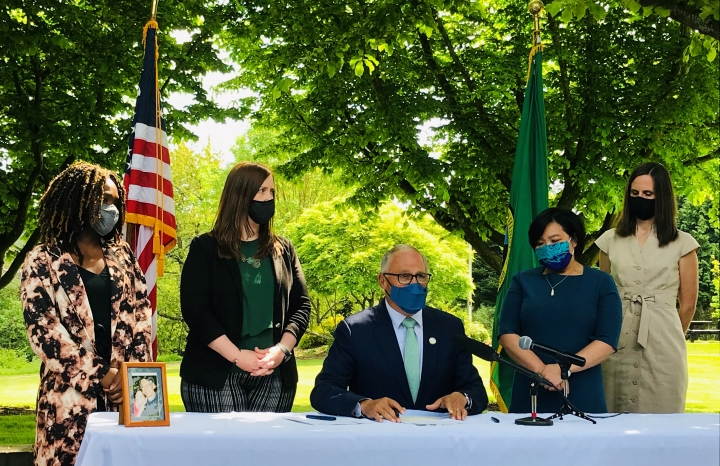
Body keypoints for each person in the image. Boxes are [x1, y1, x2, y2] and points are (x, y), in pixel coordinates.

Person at [21, 162, 153, 466]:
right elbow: (45, 334)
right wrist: (101, 374)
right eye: (103, 199)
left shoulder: (123, 258)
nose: (112, 209)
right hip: (68, 405)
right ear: (78, 201)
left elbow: (143, 317)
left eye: (115, 201)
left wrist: (128, 377)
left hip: (126, 402)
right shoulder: (42, 260)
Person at [180, 161, 310, 413]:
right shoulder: (205, 248)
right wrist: (238, 356)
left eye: (272, 192)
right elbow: (196, 311)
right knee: (223, 452)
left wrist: (282, 350)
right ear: (239, 195)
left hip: (274, 374)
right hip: (216, 374)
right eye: (261, 191)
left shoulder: (284, 250)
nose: (268, 198)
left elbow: (301, 306)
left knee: (268, 452)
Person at [310, 244, 488, 422]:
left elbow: (476, 391)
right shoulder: (355, 330)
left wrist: (462, 398)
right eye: (404, 276)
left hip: (439, 440)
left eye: (421, 276)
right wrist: (364, 405)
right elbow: (324, 391)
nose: (415, 284)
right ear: (382, 281)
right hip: (379, 440)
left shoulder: (449, 328)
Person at [596, 162, 700, 413]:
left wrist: (666, 332)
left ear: (661, 197)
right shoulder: (609, 240)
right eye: (635, 194)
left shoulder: (683, 243)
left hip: (663, 339)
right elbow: (604, 294)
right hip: (616, 336)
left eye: (648, 194)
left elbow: (687, 305)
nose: (640, 199)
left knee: (662, 413)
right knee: (611, 411)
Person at [498, 208, 622, 414]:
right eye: (540, 244)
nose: (547, 248)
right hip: (531, 389)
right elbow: (508, 334)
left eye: (555, 241)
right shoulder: (522, 281)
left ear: (574, 240)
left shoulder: (600, 282)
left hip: (582, 389)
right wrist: (542, 371)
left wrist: (564, 370)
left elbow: (607, 340)